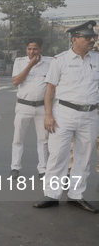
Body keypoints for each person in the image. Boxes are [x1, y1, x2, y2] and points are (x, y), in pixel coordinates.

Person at [34, 20, 99, 213]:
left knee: (83, 157)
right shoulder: (60, 60)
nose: (92, 40)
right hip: (64, 114)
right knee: (58, 155)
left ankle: (76, 195)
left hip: (90, 115)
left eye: (93, 36)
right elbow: (50, 89)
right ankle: (52, 195)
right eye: (87, 37)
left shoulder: (97, 59)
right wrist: (48, 115)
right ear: (74, 40)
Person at [10, 37, 52, 179]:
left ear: (40, 49)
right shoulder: (20, 62)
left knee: (43, 139)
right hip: (23, 106)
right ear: (26, 49)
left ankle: (43, 169)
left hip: (42, 107)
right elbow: (16, 81)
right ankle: (15, 167)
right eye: (29, 49)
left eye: (35, 49)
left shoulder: (50, 62)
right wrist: (30, 65)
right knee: (18, 138)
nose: (32, 52)